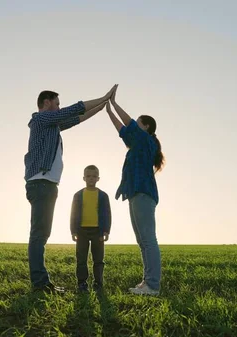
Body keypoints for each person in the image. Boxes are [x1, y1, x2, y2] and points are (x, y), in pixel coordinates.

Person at [24, 85, 116, 293]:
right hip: (41, 184)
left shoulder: (52, 126)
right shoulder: (40, 120)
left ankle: (41, 282)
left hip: (46, 185)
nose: (59, 108)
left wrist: (101, 106)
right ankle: (40, 283)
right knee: (39, 234)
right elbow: (74, 110)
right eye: (57, 104)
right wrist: (103, 96)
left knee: (42, 233)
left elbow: (77, 119)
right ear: (46, 103)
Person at [105, 87, 165, 296]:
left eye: (139, 123)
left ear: (146, 127)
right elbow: (122, 129)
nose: (135, 126)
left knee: (148, 239)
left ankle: (153, 285)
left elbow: (128, 122)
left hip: (143, 193)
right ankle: (147, 282)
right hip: (135, 194)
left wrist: (113, 102)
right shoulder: (136, 144)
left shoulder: (147, 141)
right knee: (142, 240)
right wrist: (108, 111)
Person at [70, 165, 112, 292]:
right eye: (88, 176)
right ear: (84, 178)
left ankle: (98, 283)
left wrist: (106, 230)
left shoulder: (103, 195)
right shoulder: (78, 195)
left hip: (98, 231)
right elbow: (73, 213)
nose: (91, 179)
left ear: (98, 178)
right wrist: (73, 230)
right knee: (81, 259)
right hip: (81, 231)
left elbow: (107, 213)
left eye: (94, 176)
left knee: (98, 260)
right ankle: (82, 283)